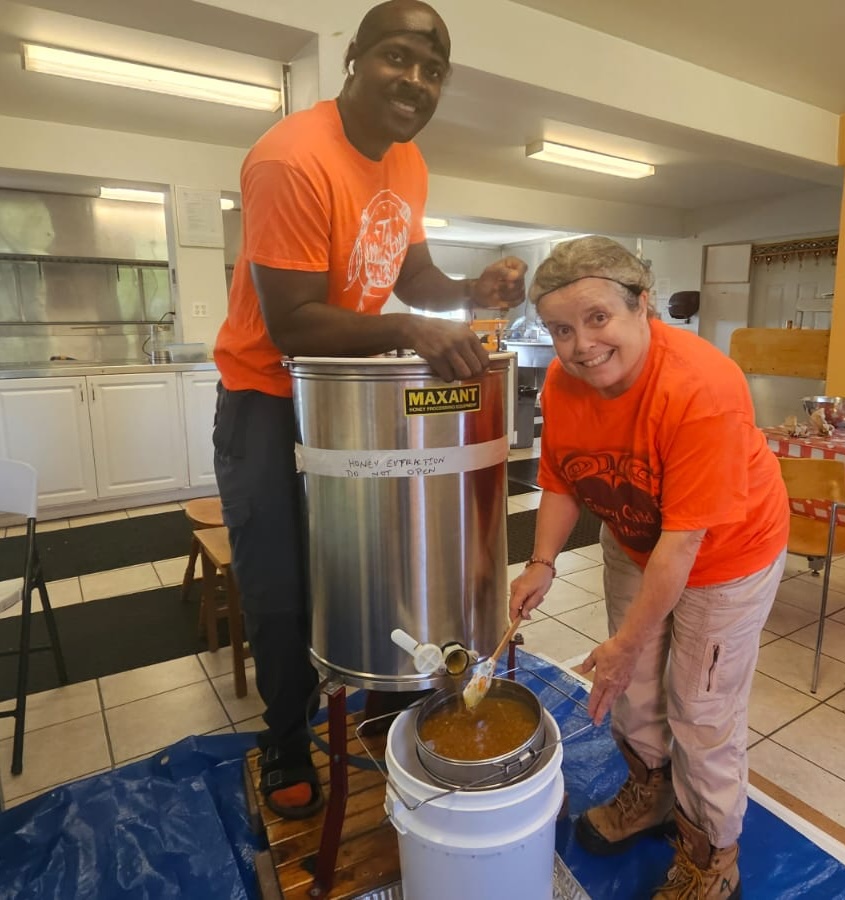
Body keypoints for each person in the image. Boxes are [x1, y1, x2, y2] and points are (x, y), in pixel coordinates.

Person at [212, 0, 526, 821]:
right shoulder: (292, 159)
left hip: (347, 399)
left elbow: (412, 277)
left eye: (432, 70)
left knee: (376, 565)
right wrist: (408, 329)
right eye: (397, 58)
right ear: (353, 58)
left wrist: (467, 293)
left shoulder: (407, 162)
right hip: (266, 402)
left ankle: (387, 694)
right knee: (282, 586)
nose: (415, 81)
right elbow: (292, 323)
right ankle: (286, 733)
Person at [508, 236, 788, 899]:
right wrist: (541, 561)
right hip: (635, 535)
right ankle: (651, 794)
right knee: (632, 690)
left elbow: (685, 544)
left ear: (644, 306)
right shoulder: (564, 376)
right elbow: (560, 477)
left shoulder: (702, 387)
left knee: (701, 709)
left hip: (725, 556)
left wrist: (629, 643)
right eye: (561, 330)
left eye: (598, 318)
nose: (580, 345)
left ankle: (710, 855)